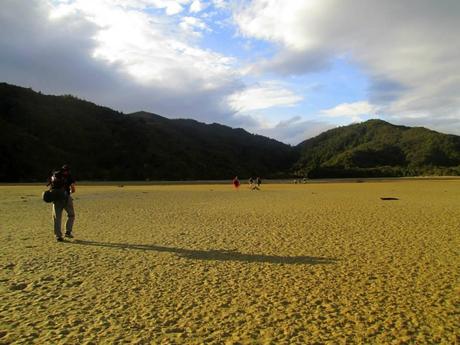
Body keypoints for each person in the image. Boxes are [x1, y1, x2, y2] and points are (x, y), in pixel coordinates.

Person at [47, 164, 76, 242]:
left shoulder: (55, 175)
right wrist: (69, 192)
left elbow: (50, 186)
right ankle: (68, 232)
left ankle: (58, 236)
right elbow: (73, 189)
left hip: (56, 199)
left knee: (57, 218)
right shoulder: (69, 176)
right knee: (71, 215)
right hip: (66, 198)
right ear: (68, 170)